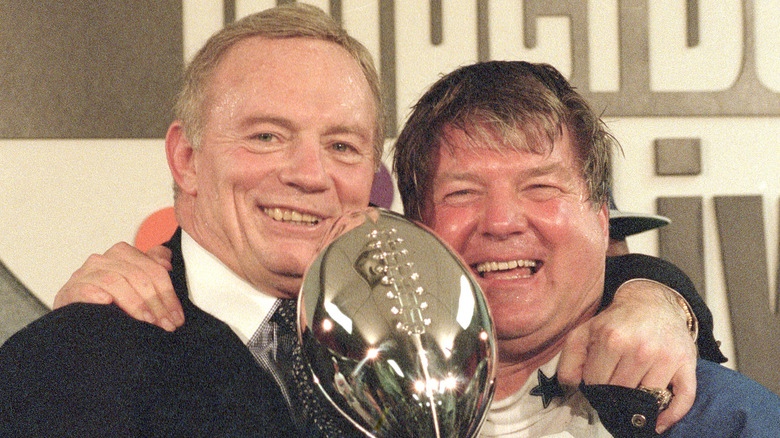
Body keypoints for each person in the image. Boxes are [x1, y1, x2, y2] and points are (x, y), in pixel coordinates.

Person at [0, 4, 713, 437]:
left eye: (341, 145)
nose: (309, 175)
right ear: (185, 158)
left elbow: (551, 274)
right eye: (267, 135)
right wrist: (78, 345)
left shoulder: (420, 339)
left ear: (372, 177)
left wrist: (658, 293)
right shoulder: (77, 361)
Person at [391, 60, 779, 436]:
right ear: (414, 227)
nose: (501, 222)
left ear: (602, 217)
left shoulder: (728, 421)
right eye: (461, 193)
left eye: (540, 188)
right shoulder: (349, 411)